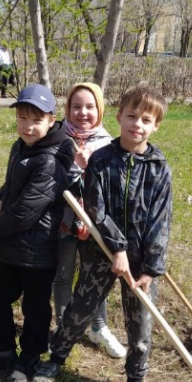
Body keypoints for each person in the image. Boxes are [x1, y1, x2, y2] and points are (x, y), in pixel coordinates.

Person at [33, 85, 172, 382]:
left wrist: (150, 268)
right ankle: (56, 359)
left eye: (146, 120)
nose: (137, 124)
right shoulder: (101, 160)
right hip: (101, 252)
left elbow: (160, 222)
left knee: (140, 329)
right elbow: (96, 209)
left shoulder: (159, 168)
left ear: (156, 126)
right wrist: (117, 249)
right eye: (131, 116)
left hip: (140, 263)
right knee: (79, 310)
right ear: (119, 117)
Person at [0, 84, 74, 382]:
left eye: (36, 120)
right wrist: (2, 195)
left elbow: (27, 211)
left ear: (51, 120)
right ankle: (3, 350)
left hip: (38, 250)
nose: (28, 126)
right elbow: (14, 184)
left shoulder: (52, 160)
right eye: (22, 118)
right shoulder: (21, 147)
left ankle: (29, 357)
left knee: (35, 308)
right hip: (12, 245)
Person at [53, 82, 127, 359]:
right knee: (63, 275)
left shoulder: (108, 144)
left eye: (89, 106)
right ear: (67, 109)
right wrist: (75, 169)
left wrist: (89, 168)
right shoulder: (58, 139)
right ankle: (63, 329)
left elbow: (112, 187)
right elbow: (49, 178)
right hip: (63, 219)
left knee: (94, 276)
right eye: (76, 106)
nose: (82, 112)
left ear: (100, 110)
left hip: (95, 223)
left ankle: (98, 326)